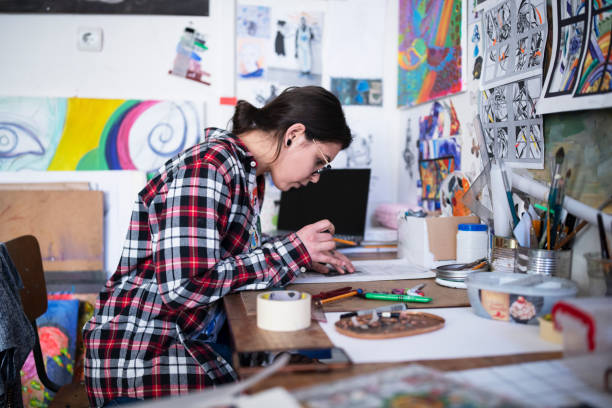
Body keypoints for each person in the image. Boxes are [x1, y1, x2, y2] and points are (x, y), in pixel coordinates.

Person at [83, 86, 355, 407]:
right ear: (294, 135)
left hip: (197, 339)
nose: (316, 177)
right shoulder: (208, 167)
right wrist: (293, 250)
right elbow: (185, 285)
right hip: (149, 356)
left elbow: (228, 254)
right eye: (320, 161)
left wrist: (300, 256)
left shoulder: (249, 173)